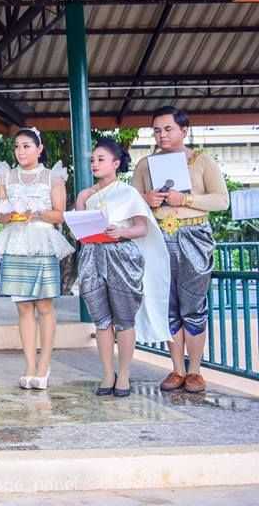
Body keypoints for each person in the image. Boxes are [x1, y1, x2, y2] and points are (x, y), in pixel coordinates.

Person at [131, 106, 229, 394]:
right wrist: (146, 199)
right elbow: (130, 201)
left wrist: (185, 200)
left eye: (168, 129)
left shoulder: (202, 161)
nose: (162, 135)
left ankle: (195, 371)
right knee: (167, 304)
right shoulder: (145, 165)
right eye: (157, 130)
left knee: (193, 305)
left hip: (194, 235)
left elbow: (222, 200)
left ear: (183, 130)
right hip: (158, 236)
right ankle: (176, 369)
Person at [74, 138, 170, 398]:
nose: (94, 164)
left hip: (122, 257)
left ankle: (124, 374)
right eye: (93, 160)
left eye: (100, 159)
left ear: (116, 163)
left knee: (124, 320)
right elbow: (79, 230)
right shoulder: (86, 195)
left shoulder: (128, 193)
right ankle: (107, 373)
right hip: (92, 257)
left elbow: (142, 227)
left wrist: (121, 232)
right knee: (101, 320)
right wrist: (81, 203)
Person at [0, 128, 74, 391]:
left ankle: (44, 365)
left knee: (45, 306)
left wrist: (37, 213)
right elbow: (0, 213)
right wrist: (6, 215)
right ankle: (29, 365)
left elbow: (60, 215)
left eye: (26, 146)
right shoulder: (5, 176)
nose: (21, 151)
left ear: (39, 149)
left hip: (42, 242)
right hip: (16, 243)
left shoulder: (53, 177)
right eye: (17, 146)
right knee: (23, 307)